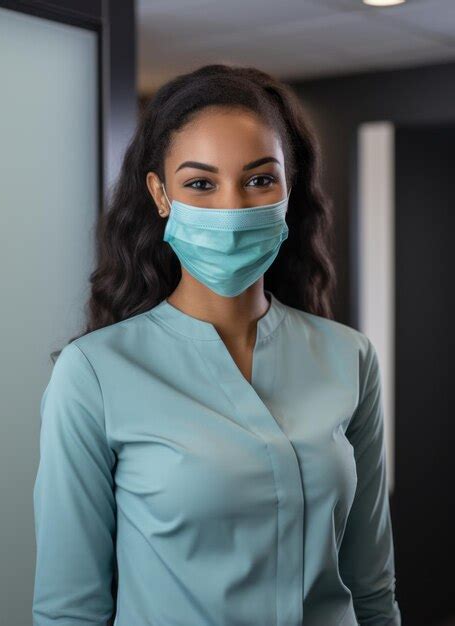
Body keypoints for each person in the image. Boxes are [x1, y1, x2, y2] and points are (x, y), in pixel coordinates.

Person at [32, 63, 402, 626]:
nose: (232, 209)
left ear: (288, 188)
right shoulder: (95, 374)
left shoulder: (349, 357)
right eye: (200, 184)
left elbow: (372, 587)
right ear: (160, 194)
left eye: (259, 179)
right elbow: (69, 611)